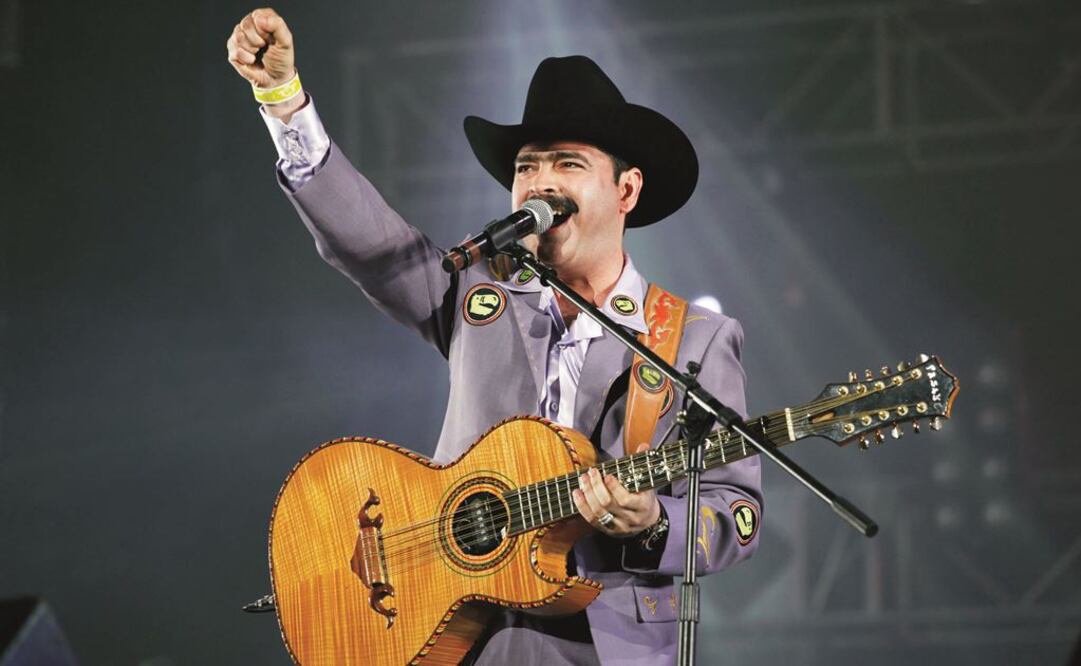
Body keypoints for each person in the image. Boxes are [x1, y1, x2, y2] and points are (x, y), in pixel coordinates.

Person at [228, 8, 763, 664]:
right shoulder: (478, 295)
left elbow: (736, 512)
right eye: (526, 166)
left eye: (566, 164)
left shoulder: (693, 341)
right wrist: (283, 100)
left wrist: (654, 524)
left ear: (625, 190)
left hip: (605, 643)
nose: (538, 182)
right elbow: (372, 246)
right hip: (458, 635)